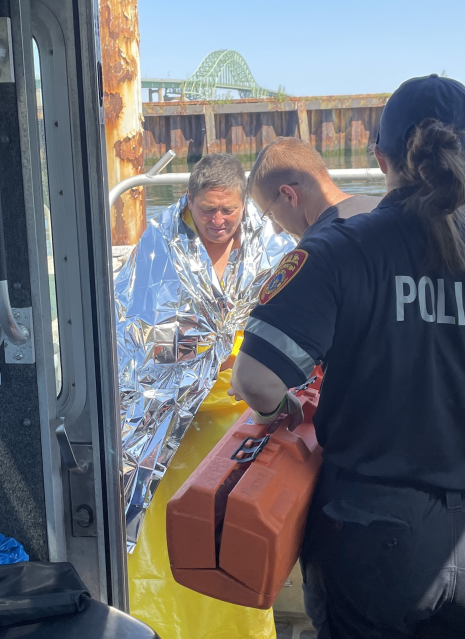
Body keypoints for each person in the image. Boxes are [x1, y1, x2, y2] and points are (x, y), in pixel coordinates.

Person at [230, 74, 465, 638]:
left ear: (380, 156)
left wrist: (274, 412)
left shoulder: (340, 250)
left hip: (371, 538)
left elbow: (256, 379)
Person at [115, 153, 294, 639]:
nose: (217, 221)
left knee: (232, 529)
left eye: (228, 211)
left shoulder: (271, 242)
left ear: (243, 206)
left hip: (240, 411)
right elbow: (132, 326)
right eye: (206, 210)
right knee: (167, 519)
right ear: (188, 201)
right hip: (168, 410)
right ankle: (162, 624)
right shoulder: (159, 240)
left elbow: (293, 316)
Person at [245, 135, 382, 638]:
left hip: (367, 510)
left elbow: (255, 380)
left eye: (272, 215)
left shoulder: (322, 249)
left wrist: (281, 407)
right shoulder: (414, 227)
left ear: (289, 194)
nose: (280, 230)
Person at [247, 135, 382, 241]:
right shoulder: (386, 209)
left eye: (270, 215)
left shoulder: (316, 251)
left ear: (289, 195)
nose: (277, 230)